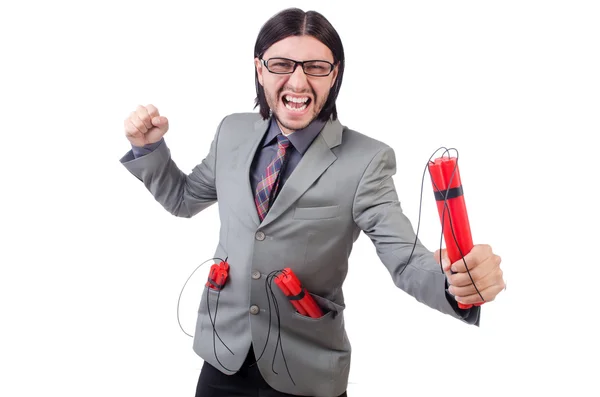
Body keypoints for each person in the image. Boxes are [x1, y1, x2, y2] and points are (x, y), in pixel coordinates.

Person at [120, 7, 505, 397]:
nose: (299, 81)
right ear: (260, 69)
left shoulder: (366, 160)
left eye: (316, 67)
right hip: (222, 355)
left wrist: (458, 285)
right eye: (282, 64)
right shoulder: (232, 131)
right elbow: (183, 199)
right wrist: (147, 147)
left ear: (334, 74)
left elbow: (405, 259)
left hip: (307, 371)